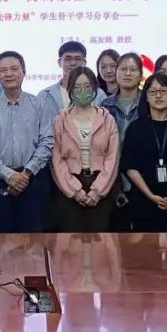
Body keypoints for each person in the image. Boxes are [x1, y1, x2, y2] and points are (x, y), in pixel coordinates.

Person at [0, 51, 54, 233]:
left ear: (23, 72)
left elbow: (47, 141)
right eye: (3, 70)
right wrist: (8, 175)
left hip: (32, 180)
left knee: (32, 240)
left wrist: (25, 173)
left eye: (14, 69)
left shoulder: (39, 104)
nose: (9, 74)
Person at [50, 67, 119, 231]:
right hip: (69, 188)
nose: (83, 91)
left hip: (100, 185)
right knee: (70, 241)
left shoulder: (107, 119)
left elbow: (113, 158)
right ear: (70, 89)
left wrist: (97, 191)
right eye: (77, 87)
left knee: (100, 241)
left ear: (95, 88)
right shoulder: (60, 120)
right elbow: (56, 160)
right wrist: (75, 191)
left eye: (87, 86)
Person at [122, 73, 167, 232]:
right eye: (152, 92)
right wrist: (150, 196)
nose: (158, 95)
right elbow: (130, 167)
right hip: (143, 202)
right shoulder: (136, 128)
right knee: (145, 247)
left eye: (163, 91)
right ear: (145, 97)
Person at [103, 52, 144, 227]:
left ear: (140, 75)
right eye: (123, 69)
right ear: (116, 72)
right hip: (112, 179)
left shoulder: (148, 103)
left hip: (143, 177)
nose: (128, 73)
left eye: (133, 70)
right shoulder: (105, 106)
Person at [39, 41, 106, 115]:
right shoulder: (45, 95)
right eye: (68, 59)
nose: (73, 63)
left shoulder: (98, 94)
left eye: (77, 59)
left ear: (84, 63)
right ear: (59, 62)